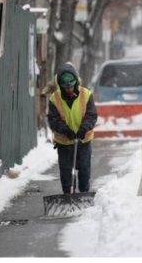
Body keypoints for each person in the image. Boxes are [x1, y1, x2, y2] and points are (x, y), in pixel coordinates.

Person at [47, 62, 98, 194]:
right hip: (64, 142)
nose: (69, 89)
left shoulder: (86, 95)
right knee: (65, 171)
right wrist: (65, 130)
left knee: (84, 169)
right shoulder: (54, 98)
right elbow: (53, 119)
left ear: (75, 82)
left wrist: (83, 129)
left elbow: (91, 115)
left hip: (83, 140)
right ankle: (67, 195)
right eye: (65, 86)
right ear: (60, 85)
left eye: (71, 85)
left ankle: (83, 193)